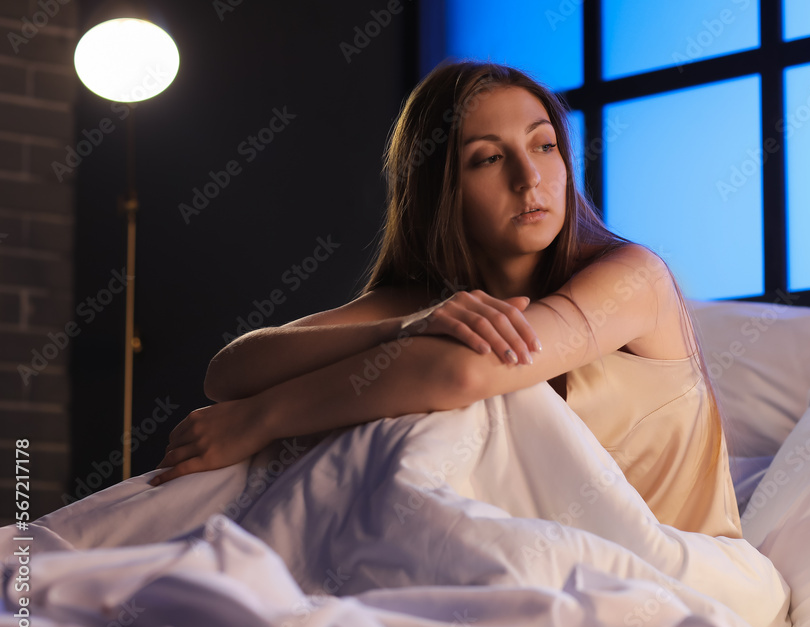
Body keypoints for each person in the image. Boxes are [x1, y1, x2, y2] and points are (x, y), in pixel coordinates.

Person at [150, 59, 742, 539]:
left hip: (675, 568)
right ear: (439, 189)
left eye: (544, 147)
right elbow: (229, 372)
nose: (529, 179)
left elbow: (462, 371)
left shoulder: (633, 278)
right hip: (535, 559)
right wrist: (400, 328)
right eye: (487, 158)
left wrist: (262, 419)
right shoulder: (428, 303)